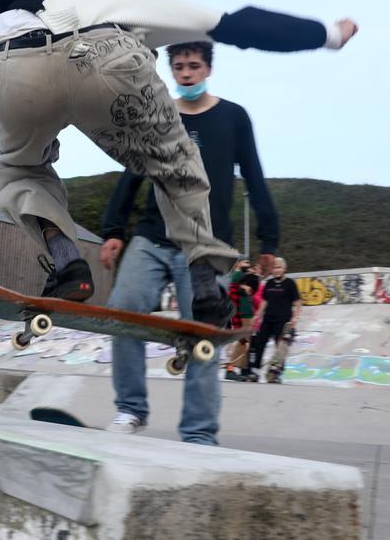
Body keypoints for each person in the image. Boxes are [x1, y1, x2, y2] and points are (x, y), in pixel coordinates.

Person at [0, 0, 357, 327]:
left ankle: (67, 260)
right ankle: (205, 283)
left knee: (19, 170)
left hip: (3, 72)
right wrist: (329, 34)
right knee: (177, 168)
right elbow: (245, 24)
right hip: (104, 59)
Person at [98, 41, 281, 444]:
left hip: (206, 245)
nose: (186, 73)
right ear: (172, 71)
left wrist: (269, 239)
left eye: (193, 66)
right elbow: (131, 173)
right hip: (151, 235)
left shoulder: (233, 117)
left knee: (204, 331)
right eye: (179, 66)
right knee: (124, 311)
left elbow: (253, 174)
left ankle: (199, 433)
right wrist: (113, 231)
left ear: (207, 69)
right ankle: (130, 410)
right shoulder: (157, 115)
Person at [244, 258, 300, 382]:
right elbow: (264, 301)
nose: (277, 270)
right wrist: (257, 315)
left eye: (279, 268)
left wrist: (295, 317)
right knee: (259, 343)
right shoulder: (269, 283)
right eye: (275, 268)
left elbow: (297, 302)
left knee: (280, 347)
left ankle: (275, 373)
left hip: (283, 320)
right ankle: (255, 372)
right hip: (268, 319)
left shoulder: (290, 283)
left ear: (284, 269)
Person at [224, 260, 262, 381]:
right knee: (243, 342)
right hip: (243, 314)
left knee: (246, 343)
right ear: (238, 263)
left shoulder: (241, 275)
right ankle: (230, 369)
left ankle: (243, 370)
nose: (248, 265)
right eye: (245, 262)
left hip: (245, 312)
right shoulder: (237, 274)